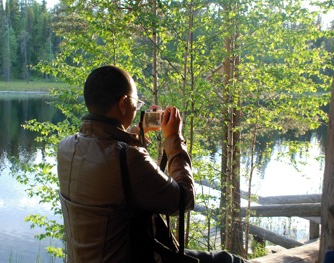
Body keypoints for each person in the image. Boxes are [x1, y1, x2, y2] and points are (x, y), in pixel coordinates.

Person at [57, 65, 247, 263]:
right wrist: (173, 139)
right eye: (135, 103)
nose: (136, 108)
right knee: (229, 261)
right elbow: (184, 200)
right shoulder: (129, 158)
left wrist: (137, 132)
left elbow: (111, 161)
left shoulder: (65, 148)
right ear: (123, 103)